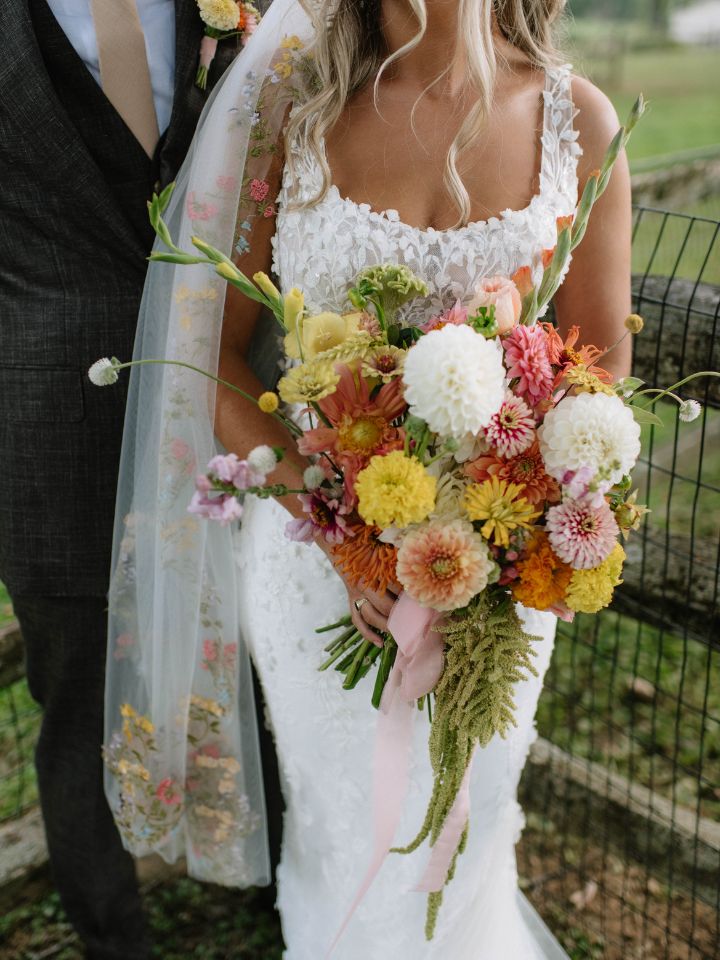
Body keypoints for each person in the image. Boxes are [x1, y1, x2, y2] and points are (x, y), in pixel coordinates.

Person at [103, 0, 632, 956]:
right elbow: (213, 353)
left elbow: (599, 379)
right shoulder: (288, 113)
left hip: (496, 583)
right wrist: (343, 528)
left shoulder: (579, 121)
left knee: (463, 840)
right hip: (314, 569)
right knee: (346, 839)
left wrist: (492, 534)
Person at [0, 1, 280, 957]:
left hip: (236, 399)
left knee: (270, 655)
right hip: (48, 428)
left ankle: (302, 895)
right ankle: (115, 942)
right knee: (80, 712)